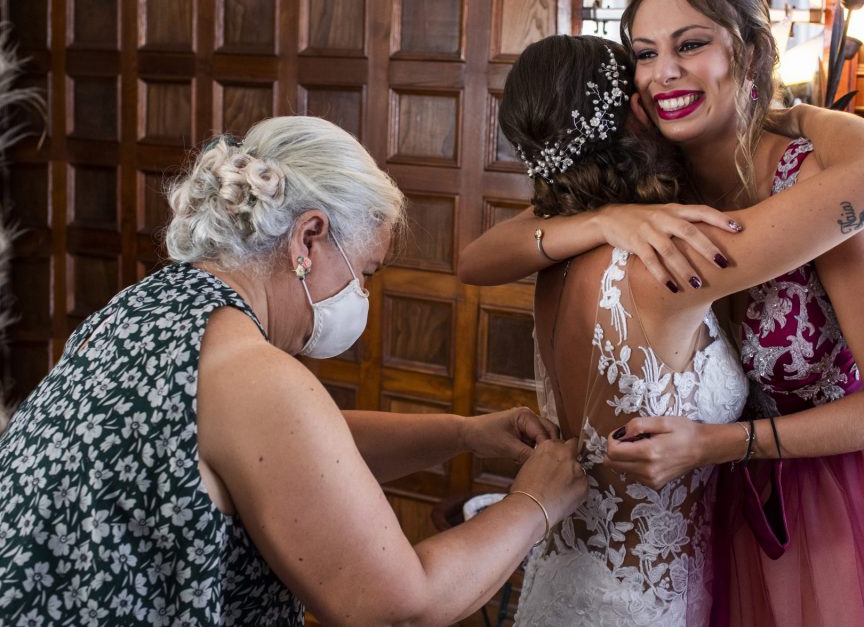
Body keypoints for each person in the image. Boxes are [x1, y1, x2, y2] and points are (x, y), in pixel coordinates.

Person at [462, 0, 864, 627]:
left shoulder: (813, 186)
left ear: (750, 52)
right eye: (644, 53)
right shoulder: (657, 195)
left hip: (842, 501)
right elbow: (481, 256)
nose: (664, 71)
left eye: (689, 44)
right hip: (716, 511)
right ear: (630, 96)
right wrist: (604, 219)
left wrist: (797, 113)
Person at [0, 116, 588, 626]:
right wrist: (534, 503)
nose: (360, 295)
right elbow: (397, 605)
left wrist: (465, 435)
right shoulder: (251, 370)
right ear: (308, 237)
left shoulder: (155, 303)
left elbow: (298, 453)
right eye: (366, 273)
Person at [489, 33, 864, 626]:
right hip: (646, 604)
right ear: (638, 111)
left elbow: (473, 261)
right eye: (643, 60)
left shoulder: (550, 255)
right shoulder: (674, 259)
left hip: (562, 576)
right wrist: (791, 115)